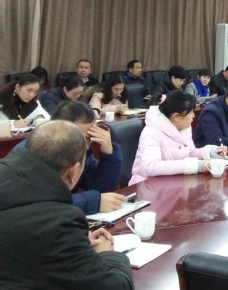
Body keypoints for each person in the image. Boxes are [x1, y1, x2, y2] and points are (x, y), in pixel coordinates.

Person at [0, 120, 134, 289]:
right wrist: (107, 254)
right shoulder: (58, 222)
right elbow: (116, 286)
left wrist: (75, 243)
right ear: (74, 172)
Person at [12, 101, 125, 215]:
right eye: (85, 139)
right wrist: (93, 202)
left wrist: (109, 154)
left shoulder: (77, 150)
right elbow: (38, 208)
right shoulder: (29, 155)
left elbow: (103, 189)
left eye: (90, 138)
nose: (87, 147)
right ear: (61, 131)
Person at [130, 90, 227, 184]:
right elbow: (150, 167)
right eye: (190, 112)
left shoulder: (183, 128)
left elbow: (190, 152)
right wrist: (197, 166)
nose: (193, 116)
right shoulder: (151, 132)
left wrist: (211, 152)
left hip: (173, 183)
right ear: (176, 117)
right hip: (148, 186)